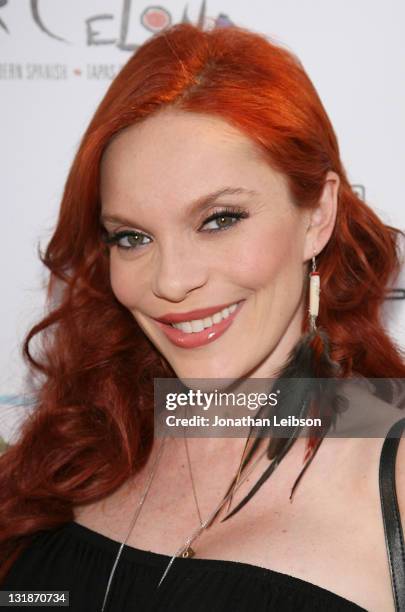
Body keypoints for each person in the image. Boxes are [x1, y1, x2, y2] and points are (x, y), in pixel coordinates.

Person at [1, 22, 404, 612]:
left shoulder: (393, 474)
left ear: (317, 215)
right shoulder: (77, 445)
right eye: (132, 237)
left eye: (219, 220)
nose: (171, 281)